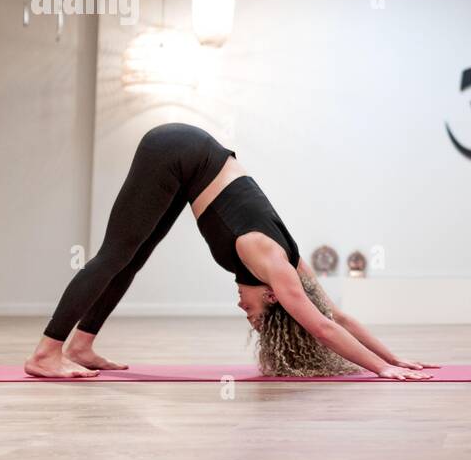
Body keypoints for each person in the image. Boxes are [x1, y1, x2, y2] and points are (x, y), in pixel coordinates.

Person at [25, 123, 433, 380]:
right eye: (255, 316)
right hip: (176, 150)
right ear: (274, 297)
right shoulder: (272, 262)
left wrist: (396, 359)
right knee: (114, 254)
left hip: (190, 168)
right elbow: (323, 328)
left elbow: (337, 315)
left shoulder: (287, 264)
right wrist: (382, 371)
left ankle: (80, 347)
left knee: (131, 259)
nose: (243, 310)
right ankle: (46, 353)